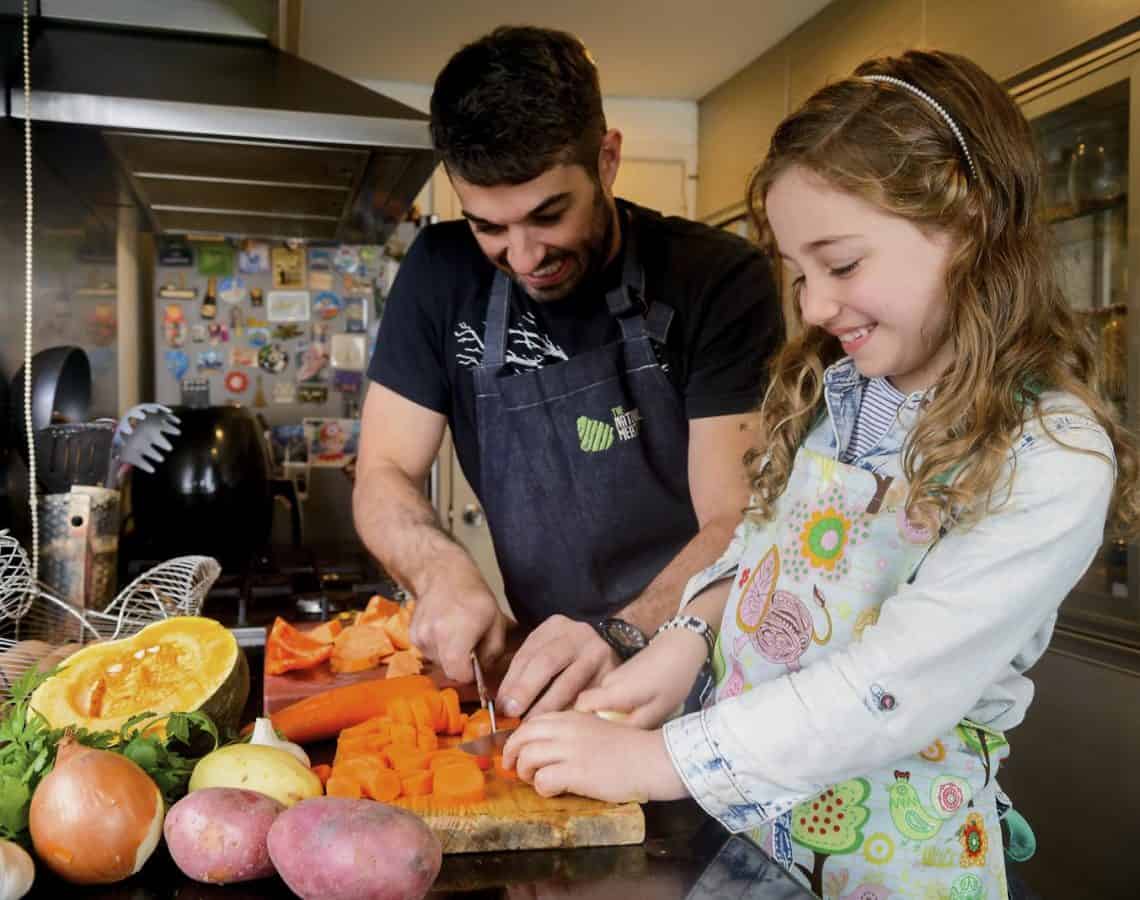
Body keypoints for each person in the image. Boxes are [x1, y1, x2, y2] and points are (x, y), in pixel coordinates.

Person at [502, 48, 1140, 899]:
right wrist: (687, 639)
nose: (813, 307)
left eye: (841, 265)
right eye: (800, 274)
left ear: (973, 220)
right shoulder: (836, 393)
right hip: (752, 834)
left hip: (896, 868)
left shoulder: (1050, 455)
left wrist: (660, 761)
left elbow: (893, 687)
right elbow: (766, 551)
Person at [354, 25, 782, 714]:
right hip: (554, 677)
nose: (523, 257)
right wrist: (439, 570)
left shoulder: (718, 280)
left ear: (607, 160)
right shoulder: (438, 273)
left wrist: (620, 633)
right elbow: (383, 472)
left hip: (710, 665)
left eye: (549, 215)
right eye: (488, 227)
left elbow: (736, 518)